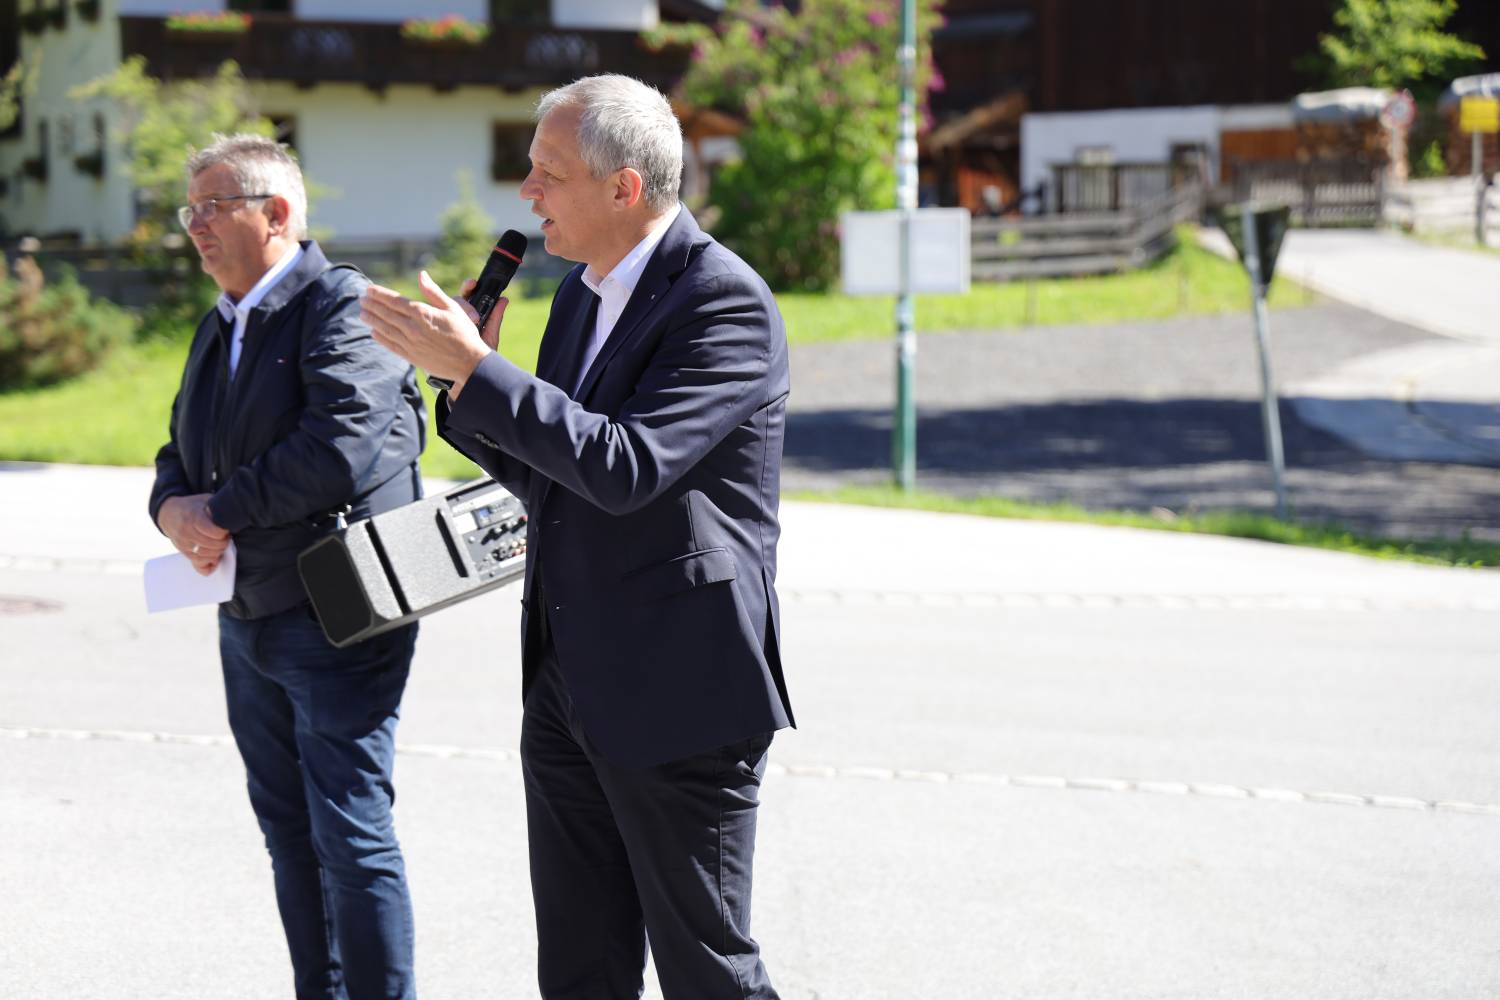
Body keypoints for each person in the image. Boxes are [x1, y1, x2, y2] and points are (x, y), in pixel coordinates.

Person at [360, 75, 793, 999]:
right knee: (580, 969)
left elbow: (625, 468)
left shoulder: (724, 303)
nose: (528, 193)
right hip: (567, 682)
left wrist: (480, 370)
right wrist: (461, 385)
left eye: (547, 172)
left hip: (681, 688)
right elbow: (556, 484)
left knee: (706, 971)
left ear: (623, 188)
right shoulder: (579, 300)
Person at [148, 134, 427, 1000]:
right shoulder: (220, 321)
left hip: (336, 612)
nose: (194, 227)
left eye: (211, 208)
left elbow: (337, 450)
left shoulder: (346, 306)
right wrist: (169, 507)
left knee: (349, 829)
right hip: (247, 615)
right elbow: (178, 447)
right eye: (188, 211)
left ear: (276, 213)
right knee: (286, 830)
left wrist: (217, 510)